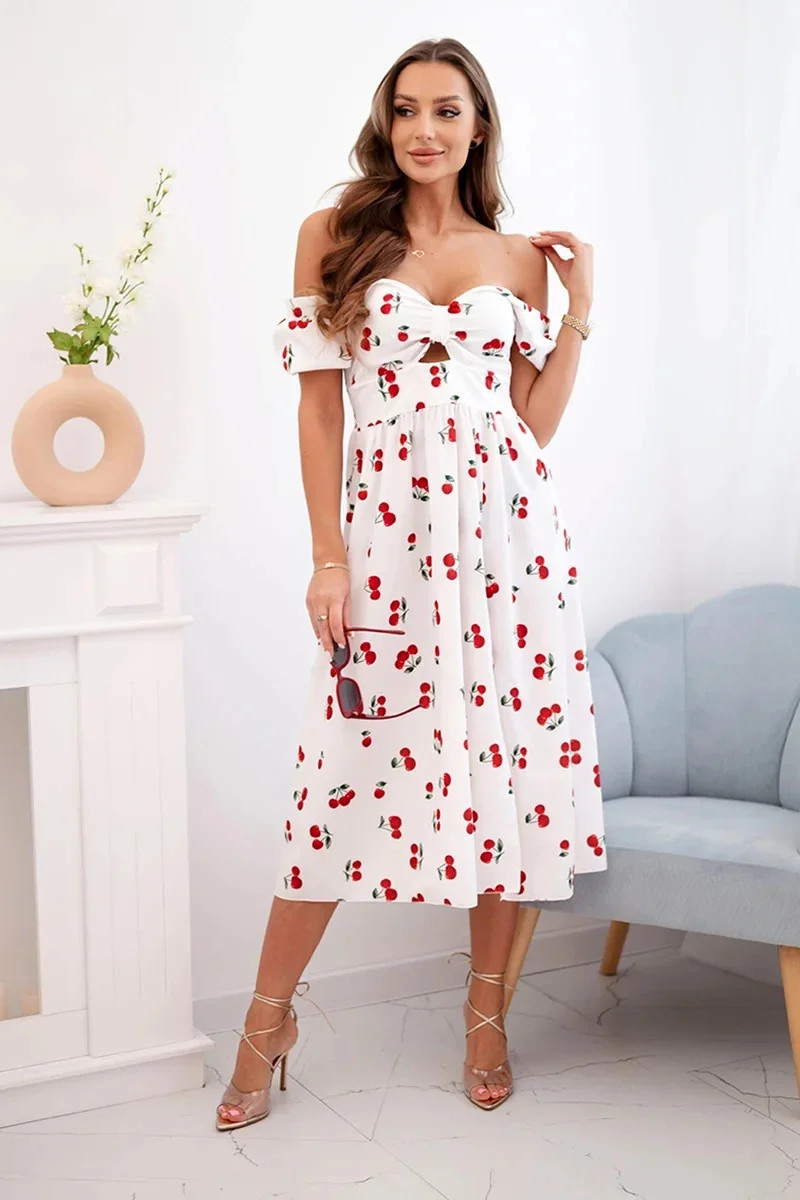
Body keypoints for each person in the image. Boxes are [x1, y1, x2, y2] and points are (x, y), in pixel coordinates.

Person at [216, 34, 606, 1130]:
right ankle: (267, 1021)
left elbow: (529, 427)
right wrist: (326, 556)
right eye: (405, 110)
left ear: (478, 127)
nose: (424, 130)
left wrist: (578, 308)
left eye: (445, 110)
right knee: (339, 772)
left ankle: (485, 1019)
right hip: (386, 547)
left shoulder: (516, 258)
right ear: (384, 124)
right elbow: (318, 408)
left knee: (498, 768)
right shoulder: (335, 236)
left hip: (509, 550)